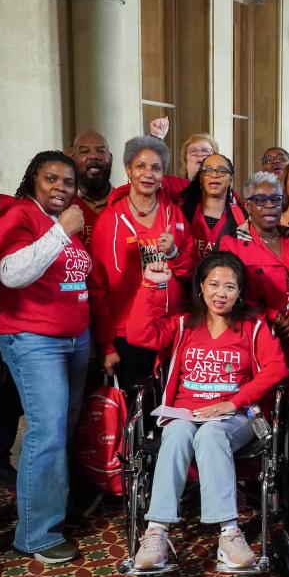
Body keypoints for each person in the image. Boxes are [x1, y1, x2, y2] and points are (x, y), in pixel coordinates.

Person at [126, 252, 288, 571]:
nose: (220, 293)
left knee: (212, 433)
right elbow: (138, 335)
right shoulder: (186, 324)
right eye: (213, 284)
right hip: (187, 412)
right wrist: (149, 286)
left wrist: (233, 402)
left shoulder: (253, 326)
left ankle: (228, 534)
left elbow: (277, 368)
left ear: (240, 292)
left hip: (238, 415)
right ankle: (156, 533)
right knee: (174, 432)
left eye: (229, 286)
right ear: (201, 287)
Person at [0, 151, 93, 565]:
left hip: (75, 338)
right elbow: (11, 273)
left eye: (67, 182)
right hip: (33, 338)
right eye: (51, 178)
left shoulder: (65, 219)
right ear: (33, 179)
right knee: (46, 433)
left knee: (62, 432)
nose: (60, 188)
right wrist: (62, 232)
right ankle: (35, 535)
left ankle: (51, 509)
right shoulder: (18, 216)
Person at [89, 136, 196, 390]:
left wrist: (173, 253)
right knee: (137, 413)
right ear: (128, 170)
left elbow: (191, 271)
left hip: (172, 329)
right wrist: (106, 346)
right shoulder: (109, 221)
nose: (148, 174)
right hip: (128, 333)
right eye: (141, 166)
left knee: (170, 408)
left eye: (156, 168)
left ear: (163, 175)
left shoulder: (176, 215)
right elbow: (97, 288)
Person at [222, 172, 289, 398]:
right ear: (247, 207)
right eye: (260, 200)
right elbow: (229, 297)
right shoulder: (232, 243)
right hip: (256, 337)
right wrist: (275, 317)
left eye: (276, 199)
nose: (269, 205)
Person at [179, 153, 245, 254]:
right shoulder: (184, 210)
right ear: (201, 178)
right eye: (208, 170)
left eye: (222, 171)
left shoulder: (241, 217)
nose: (214, 175)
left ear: (230, 181)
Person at [71, 130, 114, 214]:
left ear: (110, 159)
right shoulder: (63, 205)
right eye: (85, 151)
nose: (94, 156)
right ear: (73, 160)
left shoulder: (126, 203)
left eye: (101, 151)